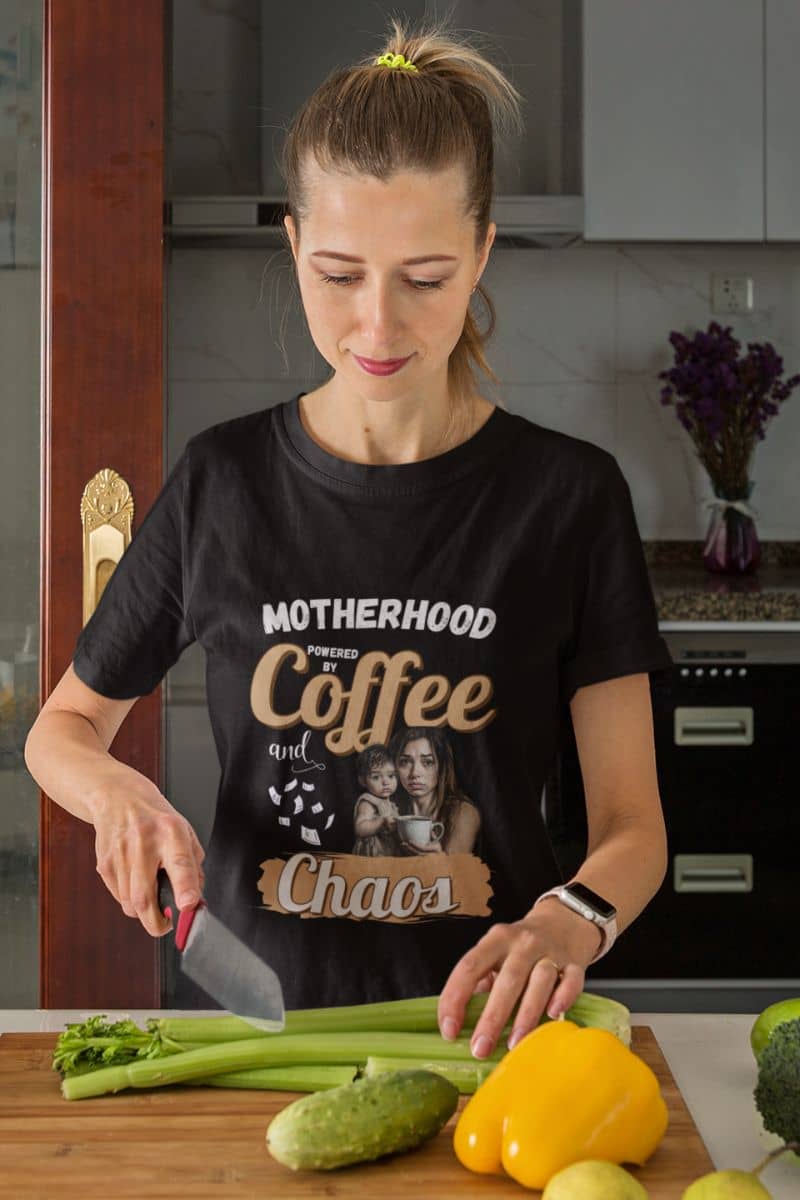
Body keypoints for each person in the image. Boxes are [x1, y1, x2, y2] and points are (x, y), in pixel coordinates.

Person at [24, 15, 674, 1062]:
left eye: (423, 279)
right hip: (252, 1030)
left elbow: (632, 828)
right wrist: (117, 792)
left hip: (483, 1039)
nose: (377, 327)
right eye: (336, 275)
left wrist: (573, 916)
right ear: (291, 245)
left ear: (480, 253)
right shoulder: (221, 482)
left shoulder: (566, 497)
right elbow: (59, 731)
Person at [390, 726, 480, 856]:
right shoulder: (390, 809)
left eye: (427, 762)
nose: (415, 773)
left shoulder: (464, 812)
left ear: (442, 766)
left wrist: (438, 862)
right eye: (405, 762)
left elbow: (457, 873)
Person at [351, 743, 403, 856]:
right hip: (372, 853)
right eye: (376, 777)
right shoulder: (368, 802)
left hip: (389, 850)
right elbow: (360, 828)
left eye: (391, 776)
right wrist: (381, 822)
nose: (385, 782)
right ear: (363, 781)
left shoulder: (391, 804)